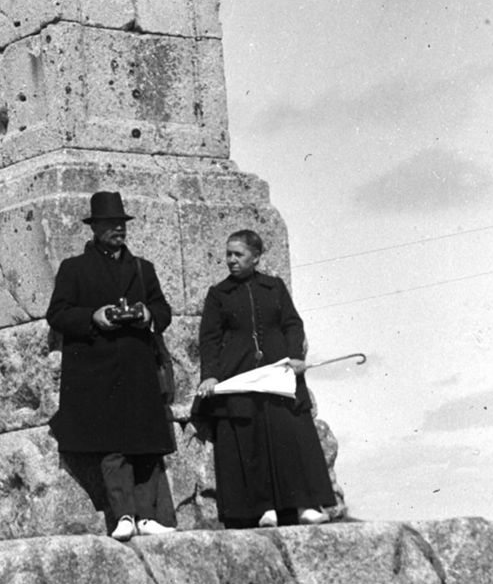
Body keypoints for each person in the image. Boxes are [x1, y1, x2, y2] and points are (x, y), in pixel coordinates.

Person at [46, 191, 176, 541]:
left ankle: (148, 517)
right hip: (97, 371)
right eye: (110, 224)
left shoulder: (142, 268)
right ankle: (124, 516)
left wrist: (149, 315)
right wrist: (94, 316)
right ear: (95, 228)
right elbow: (57, 314)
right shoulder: (74, 268)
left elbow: (163, 309)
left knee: (146, 443)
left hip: (137, 367)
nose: (118, 229)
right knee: (111, 446)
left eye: (121, 224)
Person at [194, 228, 336, 529]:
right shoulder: (219, 294)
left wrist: (296, 356)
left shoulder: (274, 287)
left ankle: (304, 505)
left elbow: (292, 324)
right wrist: (210, 376)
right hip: (241, 376)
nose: (231, 260)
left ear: (255, 258)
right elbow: (209, 339)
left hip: (278, 375)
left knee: (290, 436)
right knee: (250, 440)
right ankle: (262, 508)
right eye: (228, 254)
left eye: (238, 254)